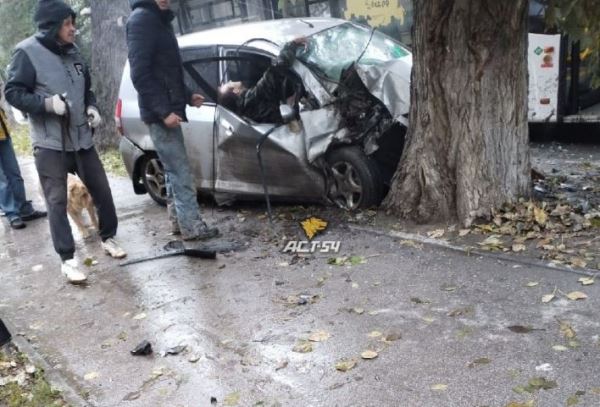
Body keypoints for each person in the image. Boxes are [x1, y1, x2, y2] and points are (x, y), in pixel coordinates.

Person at [4, 0, 126, 284]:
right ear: (52, 27)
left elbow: (87, 88)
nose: (73, 29)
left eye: (73, 23)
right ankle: (68, 259)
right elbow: (13, 92)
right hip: (50, 143)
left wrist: (92, 108)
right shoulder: (27, 52)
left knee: (102, 191)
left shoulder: (73, 51)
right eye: (67, 24)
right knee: (57, 201)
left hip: (82, 138)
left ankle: (108, 237)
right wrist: (46, 104)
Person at [126, 0, 219, 241]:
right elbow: (141, 75)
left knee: (172, 170)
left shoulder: (159, 18)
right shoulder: (142, 20)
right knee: (180, 171)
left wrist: (188, 96)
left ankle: (180, 222)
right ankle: (192, 226)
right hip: (160, 114)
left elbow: (167, 70)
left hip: (167, 109)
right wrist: (163, 111)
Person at [217, 38, 307, 123]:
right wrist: (292, 45)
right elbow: (277, 68)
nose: (230, 81)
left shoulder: (244, 110)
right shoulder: (254, 97)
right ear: (236, 91)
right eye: (229, 84)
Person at [0, 104, 47, 229]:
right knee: (2, 181)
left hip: (3, 132)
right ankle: (12, 213)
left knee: (14, 174)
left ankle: (23, 209)